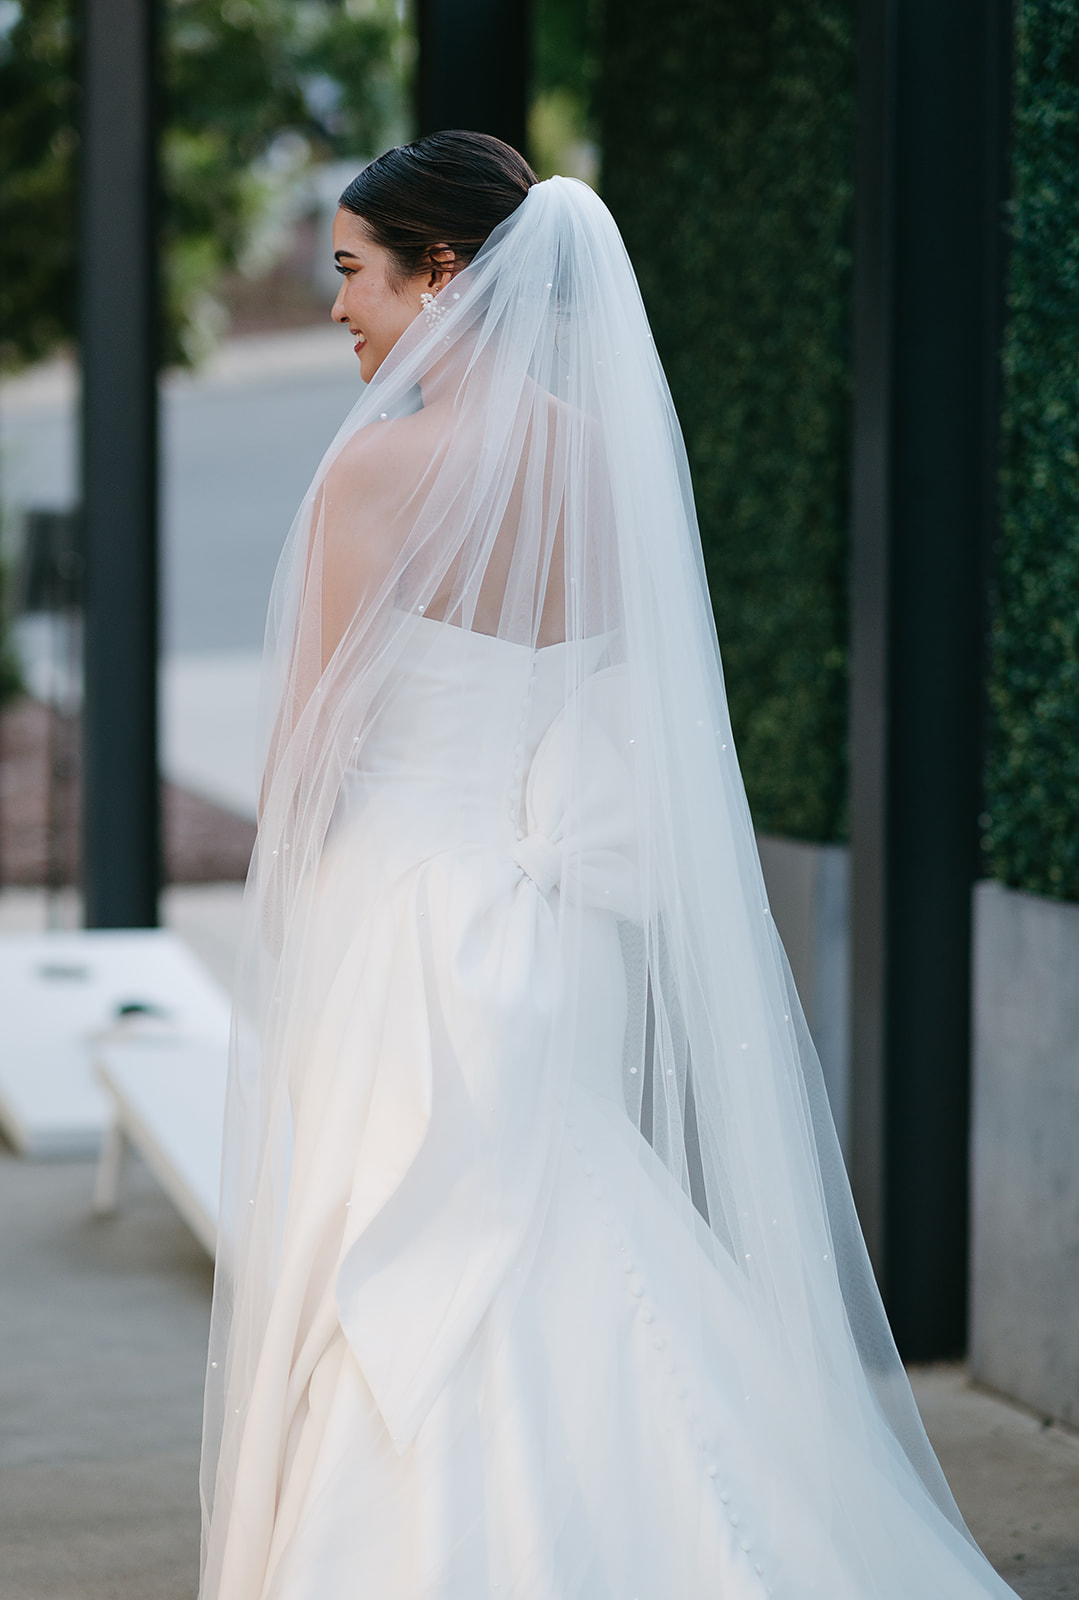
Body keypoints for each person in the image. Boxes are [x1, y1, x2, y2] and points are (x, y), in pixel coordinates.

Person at [199, 131, 1018, 1600]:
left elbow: (312, 765)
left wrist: (294, 934)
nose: (339, 311)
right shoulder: (609, 461)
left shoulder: (376, 473)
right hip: (551, 926)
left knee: (412, 1255)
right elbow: (622, 715)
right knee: (567, 1218)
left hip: (405, 920)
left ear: (443, 277)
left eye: (354, 275)